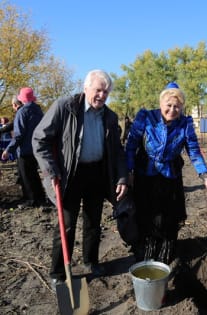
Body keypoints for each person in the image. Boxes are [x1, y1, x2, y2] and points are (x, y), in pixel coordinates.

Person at [32, 70, 128, 289]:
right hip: (69, 175)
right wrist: (50, 169)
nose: (102, 96)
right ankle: (58, 271)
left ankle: (90, 261)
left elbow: (117, 152)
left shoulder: (110, 117)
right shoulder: (64, 107)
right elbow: (39, 140)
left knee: (94, 222)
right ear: (86, 88)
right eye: (98, 90)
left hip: (97, 174)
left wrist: (122, 177)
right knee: (66, 225)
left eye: (106, 92)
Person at [125, 82, 207, 265]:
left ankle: (164, 257)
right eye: (169, 105)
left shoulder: (185, 124)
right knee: (147, 218)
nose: (172, 110)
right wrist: (129, 171)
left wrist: (205, 177)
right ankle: (146, 256)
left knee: (167, 220)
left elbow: (194, 151)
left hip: (170, 179)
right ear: (161, 103)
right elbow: (131, 145)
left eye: (177, 106)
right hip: (144, 177)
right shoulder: (146, 117)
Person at [2, 89, 46, 207]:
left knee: (26, 175)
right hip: (36, 148)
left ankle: (31, 199)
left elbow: (19, 135)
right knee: (34, 175)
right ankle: (40, 197)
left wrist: (8, 150)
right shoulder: (38, 110)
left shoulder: (22, 112)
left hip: (25, 149)